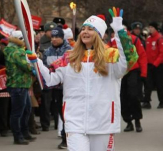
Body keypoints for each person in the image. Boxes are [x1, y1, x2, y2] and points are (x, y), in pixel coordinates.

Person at [27, 8, 138, 151]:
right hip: (75, 121)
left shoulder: (111, 57)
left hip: (103, 123)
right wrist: (36, 63)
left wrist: (119, 31)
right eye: (83, 29)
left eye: (90, 29)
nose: (85, 31)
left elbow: (130, 58)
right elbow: (49, 79)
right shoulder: (69, 57)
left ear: (99, 34)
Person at [41, 26, 72, 149]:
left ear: (62, 37)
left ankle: (67, 138)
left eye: (57, 37)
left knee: (67, 114)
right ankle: (66, 137)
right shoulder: (47, 52)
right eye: (52, 37)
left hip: (68, 88)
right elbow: (44, 68)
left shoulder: (69, 51)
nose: (54, 39)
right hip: (55, 89)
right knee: (60, 113)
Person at [4, 30, 36, 145]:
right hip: (18, 84)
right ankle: (18, 136)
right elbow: (26, 66)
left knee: (26, 109)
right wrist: (35, 65)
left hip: (22, 84)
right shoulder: (17, 52)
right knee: (17, 112)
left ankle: (25, 133)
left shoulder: (12, 50)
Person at [142, 22, 163, 109]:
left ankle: (162, 101)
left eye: (151, 27)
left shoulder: (159, 38)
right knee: (148, 83)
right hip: (149, 65)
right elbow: (146, 52)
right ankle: (147, 101)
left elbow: (161, 53)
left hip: (158, 65)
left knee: (159, 84)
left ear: (155, 28)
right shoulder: (148, 39)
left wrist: (156, 63)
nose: (150, 29)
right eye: (149, 27)